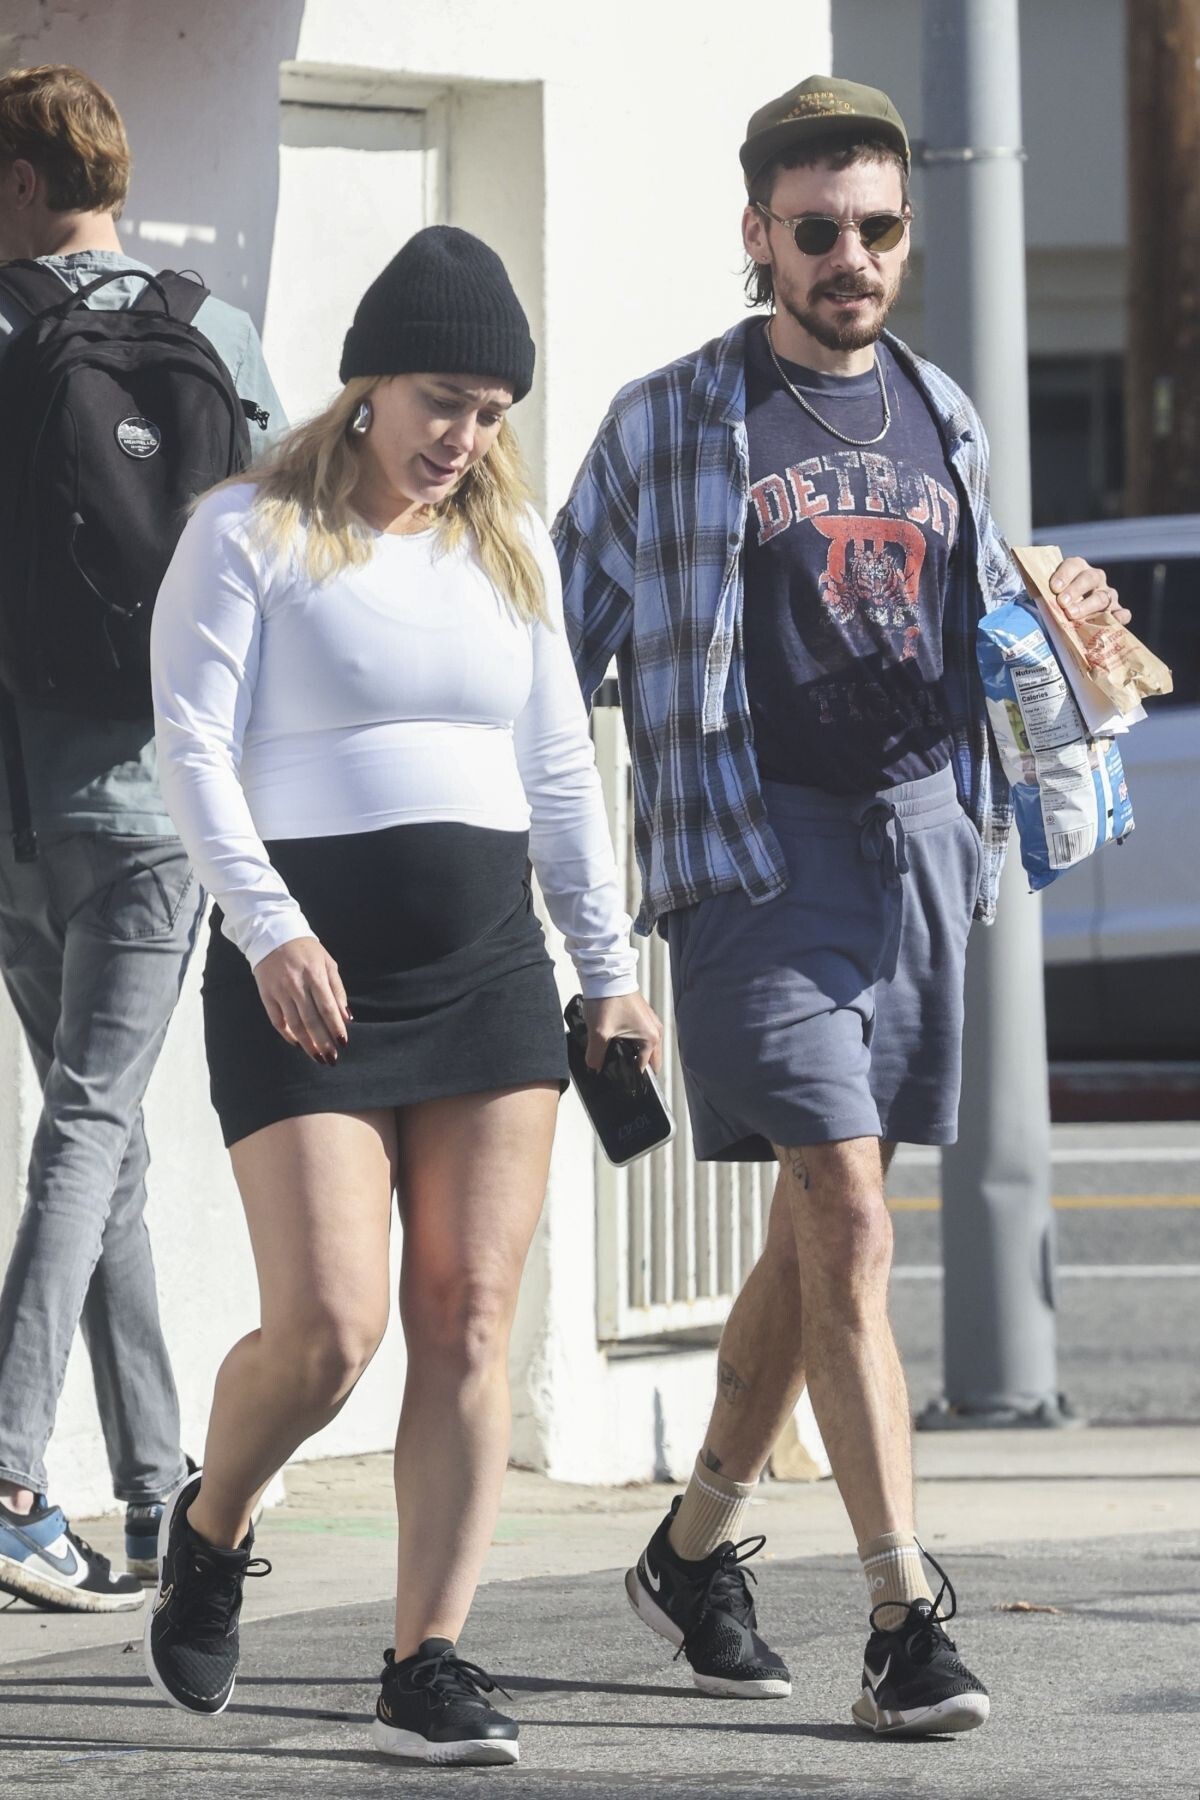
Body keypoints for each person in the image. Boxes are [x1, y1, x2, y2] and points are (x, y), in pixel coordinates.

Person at [554, 75, 1129, 1737]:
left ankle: (690, 1552)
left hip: (918, 851)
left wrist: (1063, 628)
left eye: (877, 228)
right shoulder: (671, 420)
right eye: (817, 231)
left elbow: (979, 625)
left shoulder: (946, 412)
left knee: (821, 1229)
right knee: (855, 1219)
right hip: (751, 859)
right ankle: (902, 1620)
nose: (851, 258)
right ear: (759, 235)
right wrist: (561, 918)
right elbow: (547, 652)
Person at [143, 225, 660, 1766]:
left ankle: (426, 1656)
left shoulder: (510, 551)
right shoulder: (245, 530)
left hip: (488, 971)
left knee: (470, 1315)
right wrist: (269, 929)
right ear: (369, 383)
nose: (465, 437)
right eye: (444, 400)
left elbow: (559, 770)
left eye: (492, 412)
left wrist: (609, 972)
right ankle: (213, 1524)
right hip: (305, 976)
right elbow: (191, 745)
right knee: (328, 1331)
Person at [0, 63, 281, 1613]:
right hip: (156, 801)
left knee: (92, 1140)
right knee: (94, 1130)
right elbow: (288, 557)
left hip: (17, 809)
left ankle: (163, 1493)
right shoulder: (215, 334)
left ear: (25, 183)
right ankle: (12, 1477)